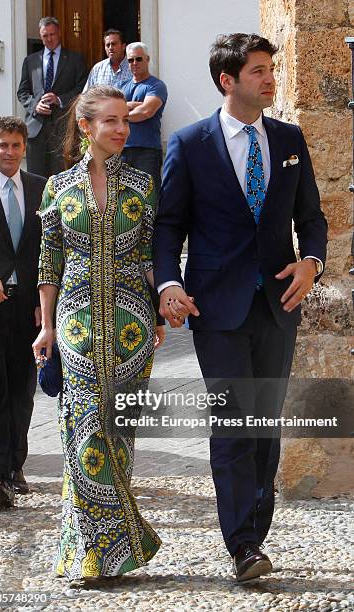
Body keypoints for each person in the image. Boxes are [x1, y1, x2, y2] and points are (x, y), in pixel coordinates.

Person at [153, 33, 327, 583]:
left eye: (270, 68)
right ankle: (243, 543)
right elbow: (168, 225)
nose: (270, 78)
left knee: (265, 425)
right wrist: (167, 285)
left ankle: (255, 528)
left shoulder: (289, 138)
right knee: (233, 423)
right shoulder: (189, 143)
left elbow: (313, 218)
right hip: (216, 308)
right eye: (257, 71)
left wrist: (312, 262)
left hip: (278, 305)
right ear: (228, 81)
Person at [32, 86, 165, 585]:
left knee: (119, 432)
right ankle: (91, 549)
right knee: (83, 430)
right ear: (85, 126)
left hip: (131, 324)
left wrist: (162, 307)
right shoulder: (57, 188)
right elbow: (49, 262)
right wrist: (45, 327)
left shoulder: (142, 185)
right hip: (75, 321)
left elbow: (153, 255)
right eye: (110, 121)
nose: (121, 129)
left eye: (125, 120)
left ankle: (116, 550)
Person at [0, 116, 46, 508]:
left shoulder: (41, 188)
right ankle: (1, 473)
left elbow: (50, 249)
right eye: (2, 145)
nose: (9, 152)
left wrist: (46, 301)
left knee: (23, 390)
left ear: (24, 148)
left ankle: (15, 467)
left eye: (16, 145)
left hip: (29, 307)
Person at [17, 16, 88, 178]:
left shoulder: (75, 60)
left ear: (59, 33)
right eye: (45, 36)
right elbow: (22, 92)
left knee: (62, 176)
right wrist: (35, 105)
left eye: (52, 34)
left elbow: (82, 89)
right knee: (35, 178)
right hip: (36, 128)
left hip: (62, 127)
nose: (49, 39)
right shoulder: (30, 61)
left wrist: (60, 99)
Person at [121, 42, 168, 196]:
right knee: (123, 199)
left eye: (138, 59)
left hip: (147, 151)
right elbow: (108, 109)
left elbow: (146, 111)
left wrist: (121, 114)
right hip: (121, 150)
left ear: (147, 59)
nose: (134, 63)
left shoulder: (156, 85)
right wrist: (130, 105)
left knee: (149, 199)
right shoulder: (121, 86)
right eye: (130, 60)